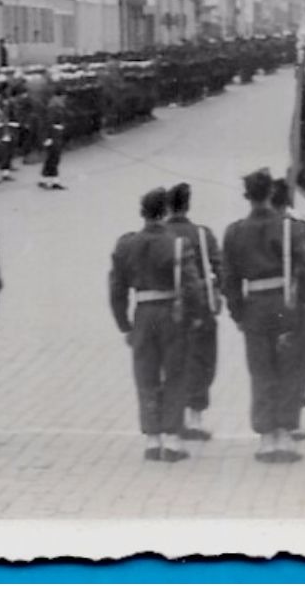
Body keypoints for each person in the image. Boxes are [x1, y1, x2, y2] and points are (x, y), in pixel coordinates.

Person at [222, 170, 305, 463]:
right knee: (289, 368)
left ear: (247, 196)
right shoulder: (289, 227)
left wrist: (237, 311)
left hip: (254, 304)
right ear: (269, 194)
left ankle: (266, 438)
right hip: (284, 303)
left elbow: (229, 278)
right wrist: (304, 301)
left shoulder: (235, 231)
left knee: (261, 368)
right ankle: (286, 435)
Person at [109, 187, 204, 463]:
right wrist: (195, 314)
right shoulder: (177, 243)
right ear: (164, 212)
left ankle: (152, 438)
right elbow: (191, 284)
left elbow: (116, 288)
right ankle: (173, 439)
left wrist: (124, 324)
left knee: (145, 374)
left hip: (142, 312)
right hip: (171, 314)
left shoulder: (126, 244)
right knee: (175, 373)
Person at [270, 177, 305, 439]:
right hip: (297, 301)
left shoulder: (254, 226)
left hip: (266, 303)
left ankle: (274, 423)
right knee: (298, 362)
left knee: (271, 364)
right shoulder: (295, 226)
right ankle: (291, 420)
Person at [168, 182, 221, 439]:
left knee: (170, 363)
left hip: (168, 308)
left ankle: (172, 417)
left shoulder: (161, 235)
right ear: (188, 205)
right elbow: (221, 267)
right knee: (202, 362)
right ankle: (195, 419)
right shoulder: (203, 234)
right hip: (199, 307)